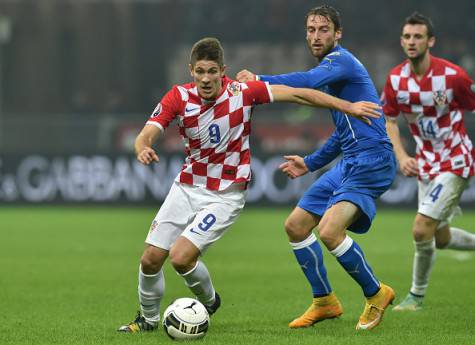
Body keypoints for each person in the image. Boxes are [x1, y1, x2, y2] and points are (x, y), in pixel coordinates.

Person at [117, 37, 382, 333]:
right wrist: (142, 147)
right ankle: (148, 320)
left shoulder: (243, 93)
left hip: (225, 194)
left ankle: (208, 301)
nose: (206, 79)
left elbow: (300, 95)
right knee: (150, 259)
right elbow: (147, 132)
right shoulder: (178, 97)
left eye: (212, 72)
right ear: (191, 70)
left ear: (223, 71)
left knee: (181, 257)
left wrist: (348, 107)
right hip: (187, 187)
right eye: (200, 72)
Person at [237, 5, 396, 331]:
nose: (316, 35)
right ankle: (325, 302)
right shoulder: (337, 75)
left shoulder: (341, 61)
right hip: (350, 160)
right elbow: (342, 133)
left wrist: (259, 80)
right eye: (311, 30)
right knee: (296, 226)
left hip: (372, 160)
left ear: (338, 34)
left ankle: (376, 293)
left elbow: (306, 83)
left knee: (328, 231)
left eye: (323, 29)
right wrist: (310, 162)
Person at [383, 12, 475, 311]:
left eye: (418, 36)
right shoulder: (396, 79)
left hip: (456, 161)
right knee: (442, 237)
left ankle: (416, 298)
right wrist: (401, 156)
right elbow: (390, 120)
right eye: (407, 37)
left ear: (430, 41)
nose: (412, 42)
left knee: (421, 229)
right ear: (401, 41)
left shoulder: (453, 77)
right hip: (425, 165)